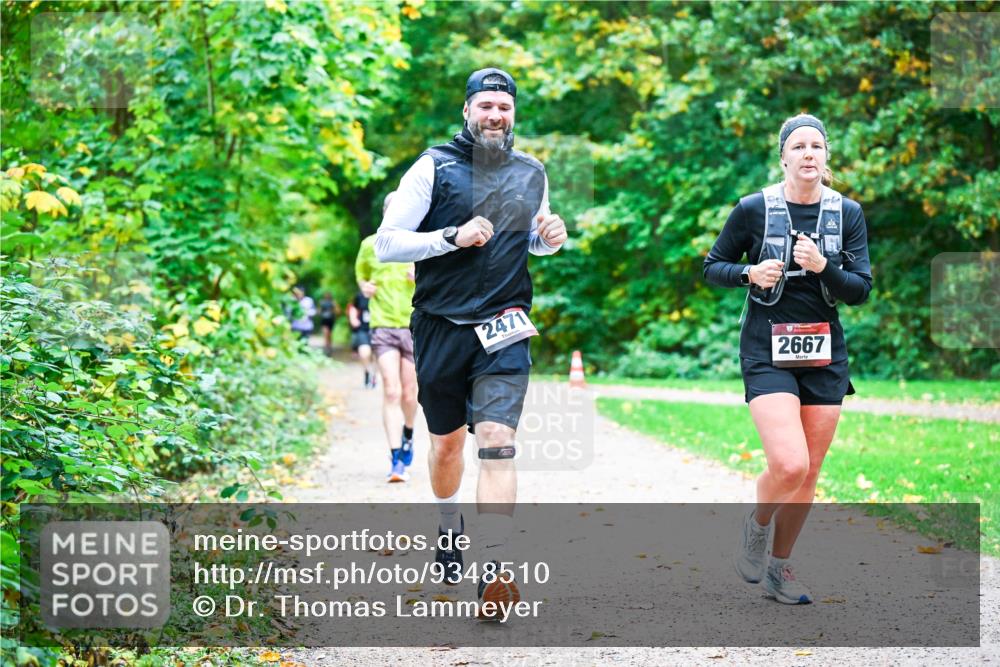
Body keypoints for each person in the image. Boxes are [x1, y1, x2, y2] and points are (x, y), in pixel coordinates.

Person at [375, 67, 568, 615]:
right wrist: (450, 237)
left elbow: (533, 238)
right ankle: (447, 524)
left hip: (505, 324)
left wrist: (548, 239)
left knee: (497, 440)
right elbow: (387, 243)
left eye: (503, 108)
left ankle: (496, 570)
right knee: (447, 445)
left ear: (514, 115)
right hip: (439, 325)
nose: (494, 116)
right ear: (467, 111)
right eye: (485, 106)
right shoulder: (433, 167)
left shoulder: (532, 171)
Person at [703, 114, 872, 604]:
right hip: (766, 347)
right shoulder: (754, 208)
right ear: (783, 156)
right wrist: (749, 273)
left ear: (826, 156)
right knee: (790, 464)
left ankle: (780, 569)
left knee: (810, 472)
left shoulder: (848, 214)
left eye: (816, 146)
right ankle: (756, 526)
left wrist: (824, 267)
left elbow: (860, 289)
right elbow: (712, 267)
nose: (808, 154)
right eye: (798, 146)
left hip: (824, 351)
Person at [356, 193, 420, 483]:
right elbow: (361, 276)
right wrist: (365, 287)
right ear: (384, 213)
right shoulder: (370, 245)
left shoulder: (419, 244)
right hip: (382, 325)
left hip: (414, 326)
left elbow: (441, 284)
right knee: (391, 391)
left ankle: (409, 432)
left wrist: (420, 278)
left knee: (410, 394)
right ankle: (395, 459)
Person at [347, 291, 375, 388]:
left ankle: (374, 377)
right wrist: (353, 318)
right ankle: (367, 372)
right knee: (364, 353)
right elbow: (353, 307)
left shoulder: (385, 292)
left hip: (379, 329)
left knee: (377, 356)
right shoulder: (361, 295)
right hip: (363, 329)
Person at [319, 292, 340, 356]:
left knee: (329, 334)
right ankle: (327, 348)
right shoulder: (322, 302)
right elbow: (319, 311)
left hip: (330, 320)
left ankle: (328, 347)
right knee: (326, 334)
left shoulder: (333, 302)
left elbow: (338, 311)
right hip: (325, 320)